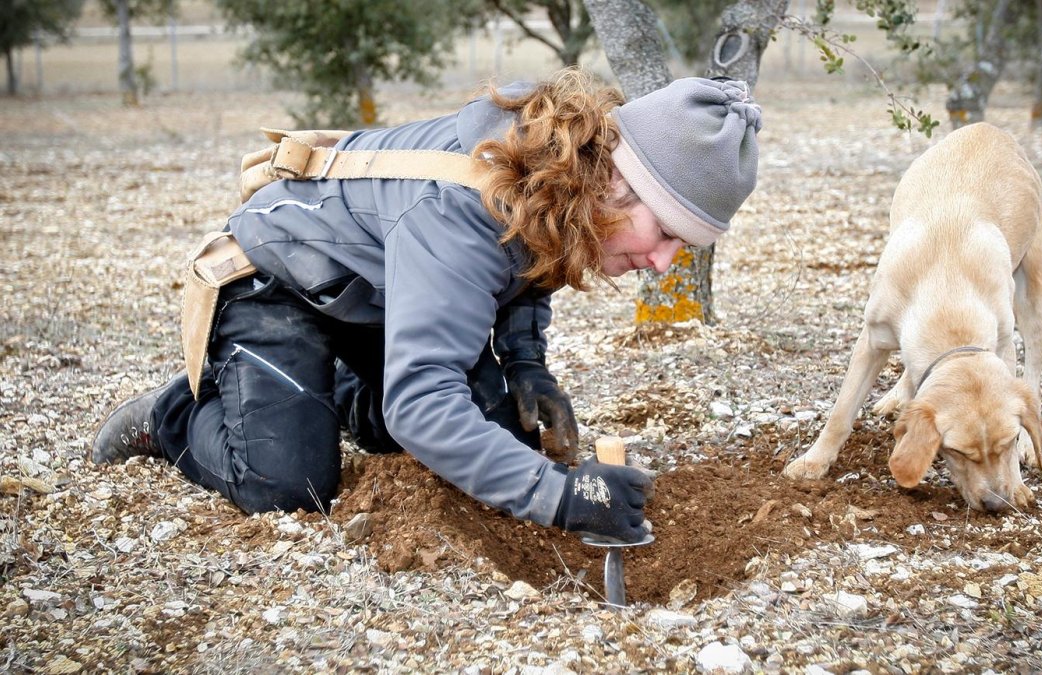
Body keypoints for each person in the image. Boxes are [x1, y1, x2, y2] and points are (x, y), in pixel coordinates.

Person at [91, 68, 762, 544]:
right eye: (668, 233)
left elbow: (532, 254)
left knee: (495, 434)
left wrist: (527, 365)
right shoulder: (460, 210)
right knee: (292, 487)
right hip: (280, 275)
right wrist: (562, 498)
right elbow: (424, 402)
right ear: (617, 180)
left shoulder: (565, 173)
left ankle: (348, 398)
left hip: (379, 289)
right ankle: (171, 415)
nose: (664, 262)